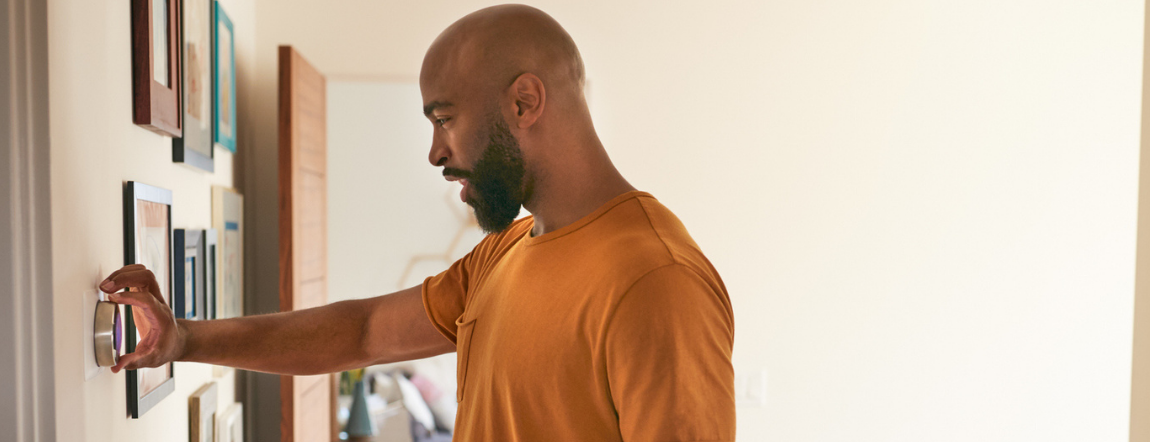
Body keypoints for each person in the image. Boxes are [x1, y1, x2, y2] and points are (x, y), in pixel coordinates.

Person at [100, 4, 734, 441]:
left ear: (524, 102)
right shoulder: (510, 249)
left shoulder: (655, 281)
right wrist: (187, 342)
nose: (435, 152)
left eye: (444, 118)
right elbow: (365, 330)